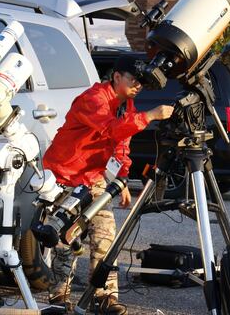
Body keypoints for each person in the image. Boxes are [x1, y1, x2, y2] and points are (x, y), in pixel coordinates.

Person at [43, 54, 174, 314]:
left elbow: (122, 144)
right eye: (133, 80)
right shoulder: (93, 99)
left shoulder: (127, 105)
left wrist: (121, 179)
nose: (138, 86)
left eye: (142, 82)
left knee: (105, 237)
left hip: (94, 178)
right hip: (66, 177)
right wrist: (150, 116)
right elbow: (112, 130)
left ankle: (104, 297)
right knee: (66, 240)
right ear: (116, 77)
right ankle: (59, 297)